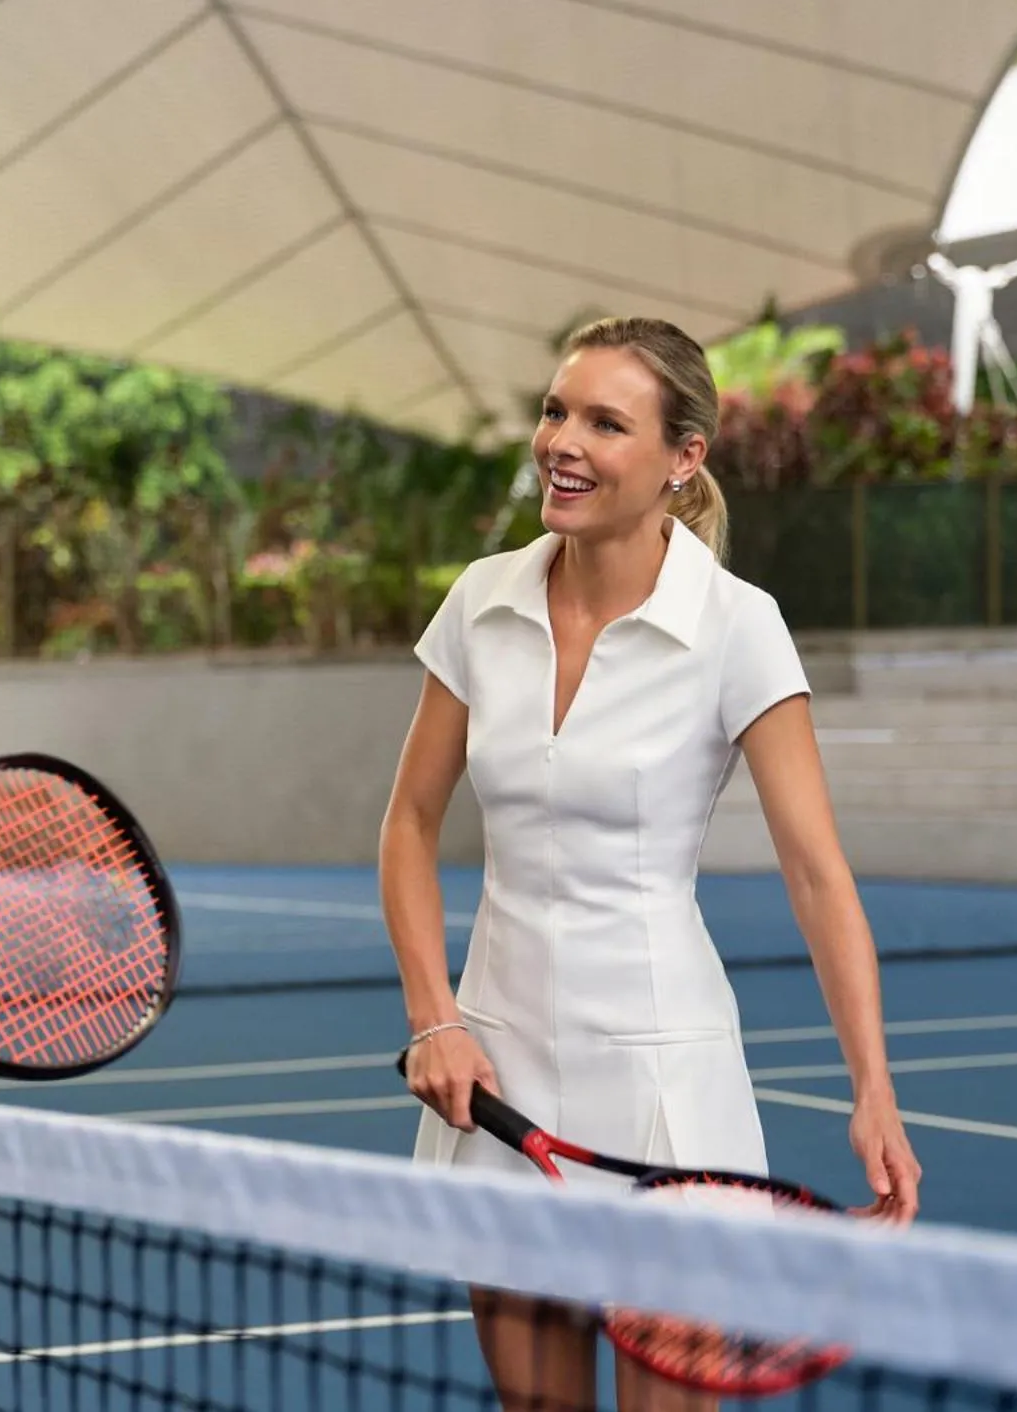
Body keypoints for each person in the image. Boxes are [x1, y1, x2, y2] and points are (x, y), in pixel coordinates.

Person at [380, 316, 922, 1412]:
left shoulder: (737, 627)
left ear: (683, 460)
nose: (560, 443)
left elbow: (816, 875)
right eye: (552, 411)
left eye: (602, 423)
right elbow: (406, 824)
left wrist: (871, 1087)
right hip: (496, 1072)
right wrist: (435, 1015)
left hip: (665, 1091)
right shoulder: (479, 602)